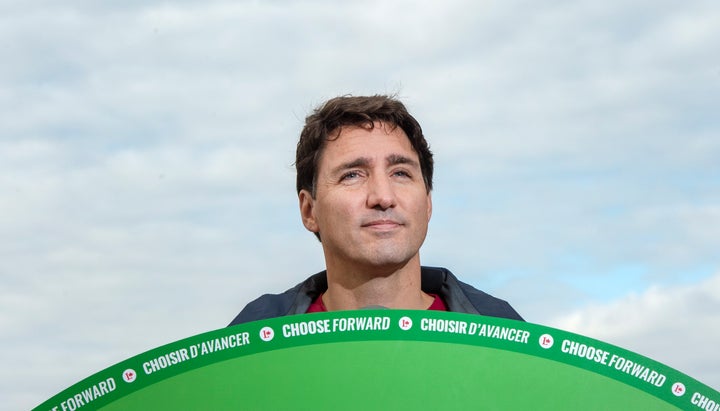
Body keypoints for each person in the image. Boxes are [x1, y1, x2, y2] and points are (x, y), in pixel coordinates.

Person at [229, 95, 522, 325]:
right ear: (309, 210)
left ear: (428, 202)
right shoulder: (251, 346)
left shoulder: (505, 339)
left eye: (401, 173)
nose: (383, 197)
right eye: (352, 175)